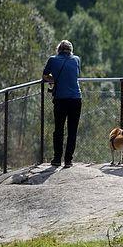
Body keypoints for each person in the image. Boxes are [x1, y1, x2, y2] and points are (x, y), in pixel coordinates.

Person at [42, 40, 82, 168]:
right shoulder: (76, 59)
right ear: (71, 50)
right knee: (72, 130)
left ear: (59, 49)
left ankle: (57, 159)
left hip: (60, 99)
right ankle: (68, 160)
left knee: (58, 130)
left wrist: (55, 79)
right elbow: (77, 74)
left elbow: (44, 76)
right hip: (76, 98)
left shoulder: (52, 60)